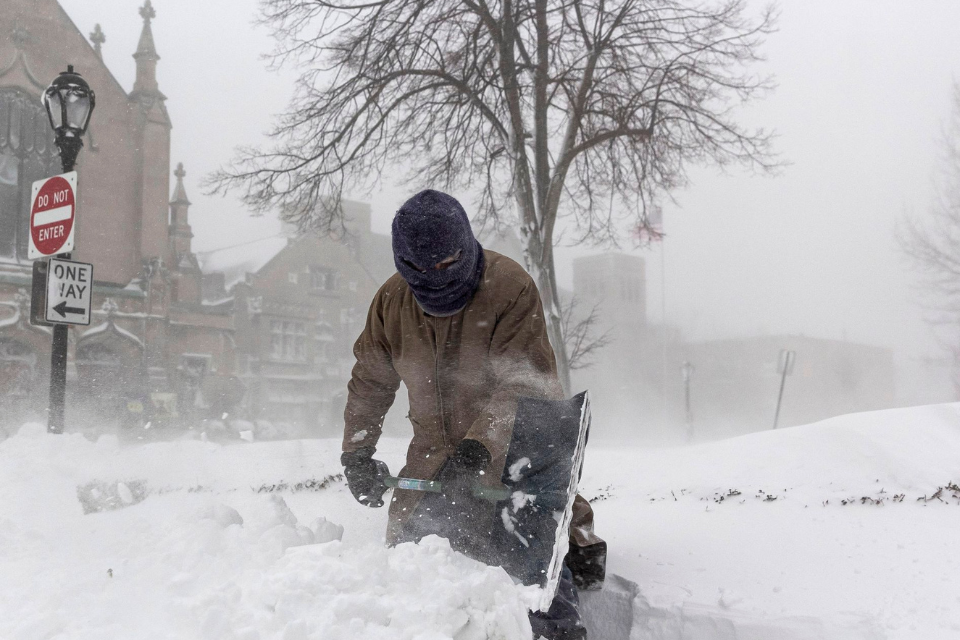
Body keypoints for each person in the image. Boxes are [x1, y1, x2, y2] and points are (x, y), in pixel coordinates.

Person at [340, 190, 605, 640]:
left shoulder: (509, 288)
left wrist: (480, 448)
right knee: (415, 568)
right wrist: (357, 453)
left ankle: (571, 543)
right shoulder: (391, 303)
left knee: (534, 582)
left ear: (465, 244)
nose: (436, 277)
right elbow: (370, 380)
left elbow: (526, 383)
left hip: (510, 454)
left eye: (446, 264)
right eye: (422, 270)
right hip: (432, 461)